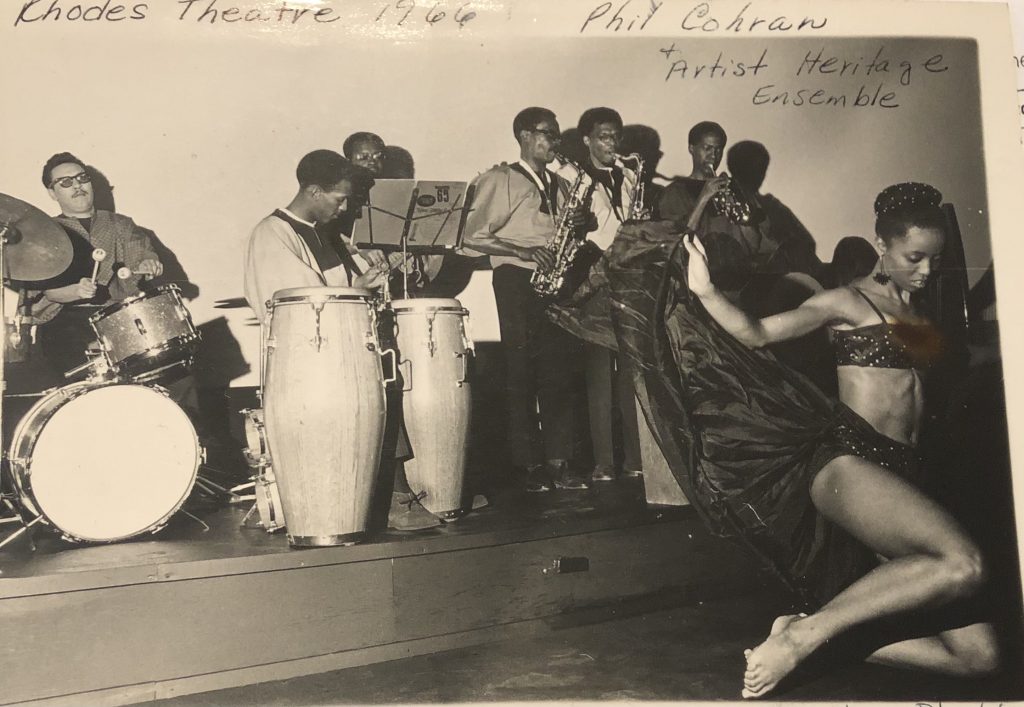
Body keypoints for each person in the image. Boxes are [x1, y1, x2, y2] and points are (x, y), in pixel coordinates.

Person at [679, 182, 999, 697]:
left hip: (907, 473)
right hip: (850, 462)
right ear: (882, 245)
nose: (925, 271)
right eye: (913, 257)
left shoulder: (922, 313)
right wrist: (707, 291)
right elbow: (756, 332)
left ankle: (803, 627)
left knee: (978, 658)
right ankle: (803, 638)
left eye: (934, 261)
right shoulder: (847, 301)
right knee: (963, 564)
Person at [243, 150, 441, 532]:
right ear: (314, 191)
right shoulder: (273, 234)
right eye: (339, 199)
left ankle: (399, 494)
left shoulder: (325, 235)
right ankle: (395, 500)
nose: (345, 207)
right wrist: (357, 289)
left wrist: (367, 282)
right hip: (308, 363)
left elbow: (337, 291)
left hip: (340, 350)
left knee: (388, 386)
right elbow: (300, 306)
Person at [462, 106, 589, 492]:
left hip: (557, 280)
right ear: (524, 136)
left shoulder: (563, 184)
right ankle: (527, 465)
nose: (555, 142)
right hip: (517, 278)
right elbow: (470, 235)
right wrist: (524, 252)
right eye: (548, 133)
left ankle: (559, 462)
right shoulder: (498, 178)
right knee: (520, 373)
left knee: (558, 373)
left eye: (556, 134)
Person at [557, 107, 643, 483]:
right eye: (604, 137)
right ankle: (604, 462)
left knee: (630, 373)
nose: (612, 144)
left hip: (627, 276)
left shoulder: (629, 176)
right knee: (598, 376)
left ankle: (635, 459)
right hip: (593, 275)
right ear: (587, 140)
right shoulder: (569, 176)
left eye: (616, 137)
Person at [24, 152, 164, 378]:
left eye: (82, 178)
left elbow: (140, 253)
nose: (77, 186)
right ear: (52, 193)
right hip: (65, 325)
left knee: (169, 374)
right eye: (66, 182)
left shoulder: (120, 224)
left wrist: (149, 263)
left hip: (118, 318)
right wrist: (71, 292)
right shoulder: (44, 233)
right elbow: (37, 292)